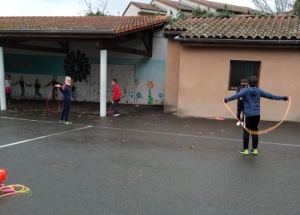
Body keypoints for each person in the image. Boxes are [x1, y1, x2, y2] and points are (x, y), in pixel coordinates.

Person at [223, 76, 290, 155]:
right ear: (256, 83)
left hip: (247, 115)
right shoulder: (259, 91)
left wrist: (226, 99)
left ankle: (246, 150)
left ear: (248, 83)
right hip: (256, 114)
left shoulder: (245, 91)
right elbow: (271, 96)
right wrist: (284, 98)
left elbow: (236, 96)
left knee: (246, 132)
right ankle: (255, 150)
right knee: (255, 132)